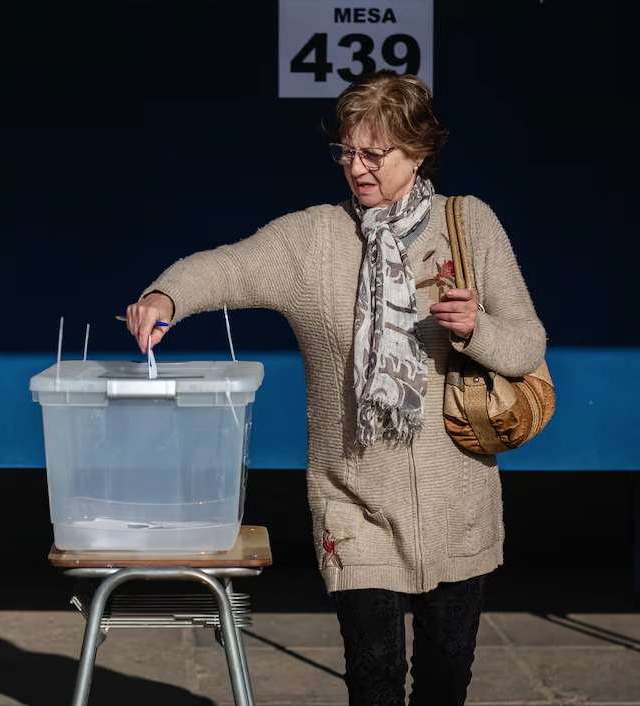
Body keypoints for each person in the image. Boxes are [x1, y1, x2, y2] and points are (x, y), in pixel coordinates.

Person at [125, 71, 546, 705]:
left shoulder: (470, 225)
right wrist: (167, 295)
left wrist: (475, 330)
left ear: (419, 150)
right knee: (373, 680)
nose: (357, 168)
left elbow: (527, 344)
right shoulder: (315, 238)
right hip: (355, 503)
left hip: (459, 504)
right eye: (347, 152)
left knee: (444, 681)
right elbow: (231, 266)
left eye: (375, 153)